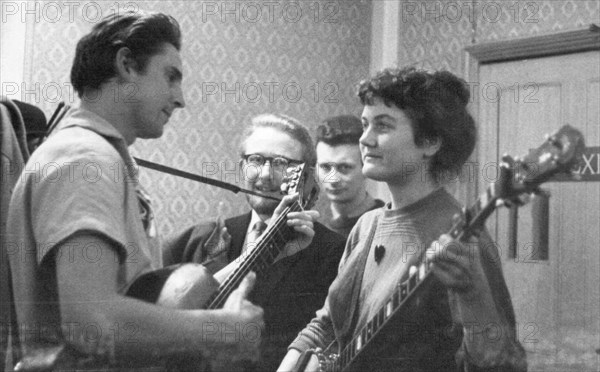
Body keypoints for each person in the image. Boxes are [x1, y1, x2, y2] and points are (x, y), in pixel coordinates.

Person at [4, 11, 315, 370]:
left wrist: (267, 249)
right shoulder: (85, 158)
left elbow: (158, 302)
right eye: (170, 77)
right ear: (127, 65)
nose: (180, 98)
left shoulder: (90, 155)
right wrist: (219, 330)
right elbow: (91, 321)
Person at [278, 67, 528, 371]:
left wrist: (474, 294)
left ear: (430, 142)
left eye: (382, 126)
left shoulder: (461, 236)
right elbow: (329, 324)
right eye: (364, 124)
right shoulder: (367, 226)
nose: (365, 139)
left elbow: (501, 365)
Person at [163, 114, 346, 371]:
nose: (266, 175)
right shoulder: (196, 240)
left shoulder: (334, 252)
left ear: (305, 178)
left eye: (282, 163)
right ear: (242, 168)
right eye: (256, 160)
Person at [315, 115, 385, 237]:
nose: (333, 179)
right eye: (325, 167)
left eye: (344, 167)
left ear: (366, 167)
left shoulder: (384, 225)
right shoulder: (316, 228)